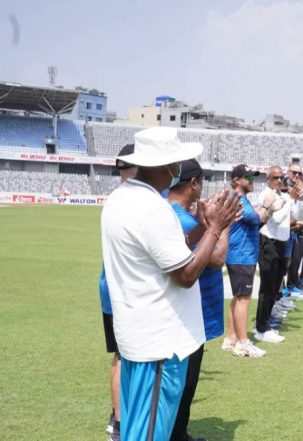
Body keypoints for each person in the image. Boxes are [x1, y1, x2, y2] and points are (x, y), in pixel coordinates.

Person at [101, 127, 240, 440]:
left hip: (139, 336)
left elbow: (168, 246)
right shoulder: (153, 209)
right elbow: (187, 274)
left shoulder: (122, 198)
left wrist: (203, 228)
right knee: (150, 434)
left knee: (138, 428)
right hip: (159, 344)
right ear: (169, 166)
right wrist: (216, 228)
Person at [167, 159, 230, 441]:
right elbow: (214, 259)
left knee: (185, 384)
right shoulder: (177, 217)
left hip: (190, 313)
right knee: (182, 383)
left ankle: (179, 433)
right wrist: (222, 225)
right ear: (193, 183)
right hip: (185, 315)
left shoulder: (177, 216)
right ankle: (175, 434)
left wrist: (207, 222)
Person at [99, 143, 136, 441]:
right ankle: (120, 422)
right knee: (124, 355)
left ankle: (119, 419)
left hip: (114, 287)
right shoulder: (128, 201)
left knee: (123, 354)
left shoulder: (118, 198)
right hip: (120, 290)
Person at [224, 164, 267, 358]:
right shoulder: (239, 199)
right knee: (243, 299)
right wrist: (268, 207)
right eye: (248, 178)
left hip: (239, 254)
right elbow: (256, 218)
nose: (251, 181)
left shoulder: (239, 199)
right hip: (242, 254)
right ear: (237, 181)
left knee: (238, 297)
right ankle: (243, 343)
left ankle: (231, 338)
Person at [255, 166, 301, 344]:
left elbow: (295, 216)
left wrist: (298, 200)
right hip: (269, 243)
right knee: (267, 288)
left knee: (275, 287)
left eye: (281, 177)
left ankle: (265, 322)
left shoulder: (282, 196)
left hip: (281, 243)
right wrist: (290, 200)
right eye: (275, 177)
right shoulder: (266, 195)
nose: (280, 180)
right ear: (268, 179)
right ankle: (261, 327)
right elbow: (277, 218)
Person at [285, 163, 303, 294]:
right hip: (280, 233)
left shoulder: (299, 189)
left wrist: (300, 198)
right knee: (281, 267)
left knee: (290, 262)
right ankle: (281, 292)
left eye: (299, 173)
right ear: (288, 172)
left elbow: (299, 215)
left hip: (292, 232)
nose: (297, 175)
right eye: (294, 172)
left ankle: (284, 292)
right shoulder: (282, 187)